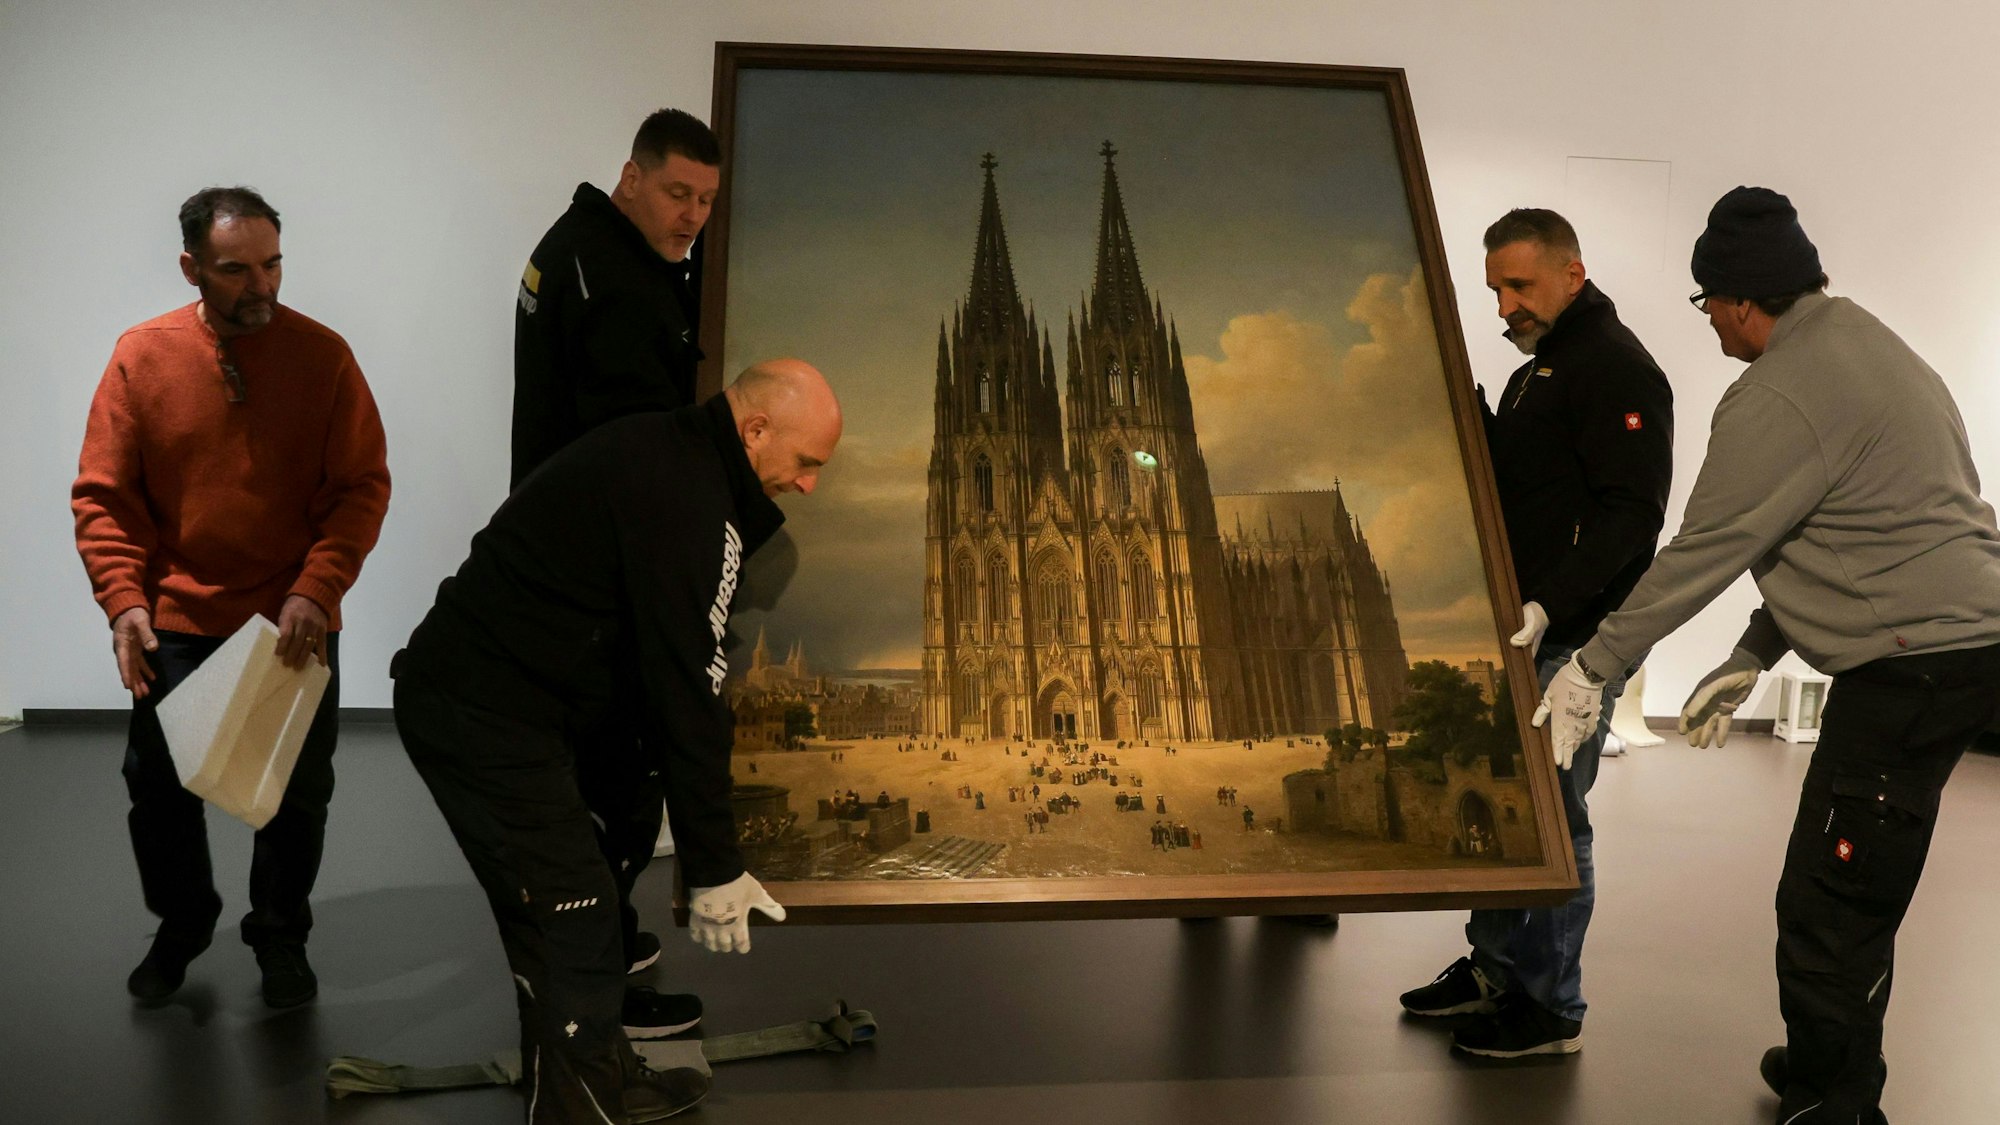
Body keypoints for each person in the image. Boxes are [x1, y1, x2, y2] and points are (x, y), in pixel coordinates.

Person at [1540, 187, 2000, 1124]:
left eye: (1707, 301)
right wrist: (1757, 646)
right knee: (1855, 877)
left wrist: (1593, 664)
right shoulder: (1874, 346)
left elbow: (1705, 549)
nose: (1708, 318)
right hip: (1962, 648)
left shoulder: (1776, 394)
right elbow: (1857, 523)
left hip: (1909, 670)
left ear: (1743, 299)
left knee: (1833, 896)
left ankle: (1836, 1102)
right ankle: (1826, 1057)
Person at [393, 360, 840, 1123]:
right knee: (571, 913)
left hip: (516, 705)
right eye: (805, 462)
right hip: (480, 711)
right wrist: (715, 865)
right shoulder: (688, 499)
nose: (808, 485)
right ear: (756, 429)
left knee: (576, 904)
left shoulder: (676, 460)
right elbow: (688, 691)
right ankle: (581, 1107)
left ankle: (595, 1075)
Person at [72, 186, 391, 1008]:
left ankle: (280, 934)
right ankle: (185, 920)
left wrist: (317, 588)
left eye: (273, 263)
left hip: (292, 614)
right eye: (236, 270)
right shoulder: (141, 357)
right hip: (176, 614)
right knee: (157, 787)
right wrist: (124, 601)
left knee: (294, 794)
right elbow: (105, 497)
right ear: (191, 268)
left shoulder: (324, 357)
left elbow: (359, 487)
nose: (262, 285)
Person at [1399, 208, 1672, 1060]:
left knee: (1554, 819)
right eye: (1495, 290)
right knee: (1515, 805)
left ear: (1571, 274)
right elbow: (1526, 487)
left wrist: (1554, 604)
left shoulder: (1617, 369)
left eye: (1519, 285)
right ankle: (1494, 969)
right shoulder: (1539, 372)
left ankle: (1551, 1007)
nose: (1505, 306)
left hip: (1577, 639)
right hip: (1528, 636)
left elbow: (1632, 514)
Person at [511, 108, 724, 1034]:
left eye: (707, 202)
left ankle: (606, 954)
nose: (692, 217)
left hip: (575, 559)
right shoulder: (609, 278)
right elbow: (642, 448)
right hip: (599, 576)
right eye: (678, 193)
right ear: (631, 178)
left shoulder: (587, 249)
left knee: (604, 787)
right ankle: (602, 1007)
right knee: (615, 791)